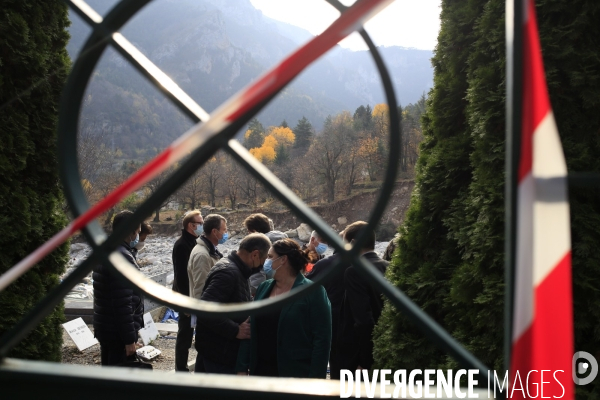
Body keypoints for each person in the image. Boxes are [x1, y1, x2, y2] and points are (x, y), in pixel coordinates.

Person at [236, 239, 332, 378]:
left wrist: (316, 380)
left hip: (295, 375)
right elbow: (250, 328)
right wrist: (242, 367)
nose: (265, 261)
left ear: (283, 260)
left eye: (270, 257)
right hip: (261, 372)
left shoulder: (313, 291)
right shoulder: (264, 287)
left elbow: (322, 340)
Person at [195, 233, 271, 374]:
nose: (262, 265)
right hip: (218, 353)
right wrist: (235, 330)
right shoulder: (229, 273)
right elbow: (205, 309)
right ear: (255, 254)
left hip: (218, 350)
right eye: (264, 259)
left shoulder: (238, 269)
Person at [93, 210, 144, 366]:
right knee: (118, 381)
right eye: (138, 232)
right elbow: (123, 304)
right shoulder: (122, 257)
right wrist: (129, 340)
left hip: (106, 328)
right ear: (130, 232)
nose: (139, 237)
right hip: (117, 334)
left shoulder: (105, 250)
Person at [337, 221, 389, 375]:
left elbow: (363, 319)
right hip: (385, 345)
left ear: (353, 243)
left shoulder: (354, 272)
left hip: (358, 353)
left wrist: (364, 361)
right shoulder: (388, 266)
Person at [187, 213, 227, 372]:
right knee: (207, 356)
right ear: (215, 232)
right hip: (207, 316)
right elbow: (201, 290)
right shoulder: (203, 255)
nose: (226, 232)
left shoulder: (209, 251)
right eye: (224, 229)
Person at [171, 210, 203, 372]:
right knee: (185, 335)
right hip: (185, 298)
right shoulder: (183, 245)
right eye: (200, 223)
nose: (202, 226)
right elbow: (182, 276)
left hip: (191, 296)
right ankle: (180, 369)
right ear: (191, 225)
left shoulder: (194, 242)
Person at [243, 213, 288, 293]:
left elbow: (258, 275)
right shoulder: (284, 239)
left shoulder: (258, 245)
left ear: (254, 231)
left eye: (249, 232)